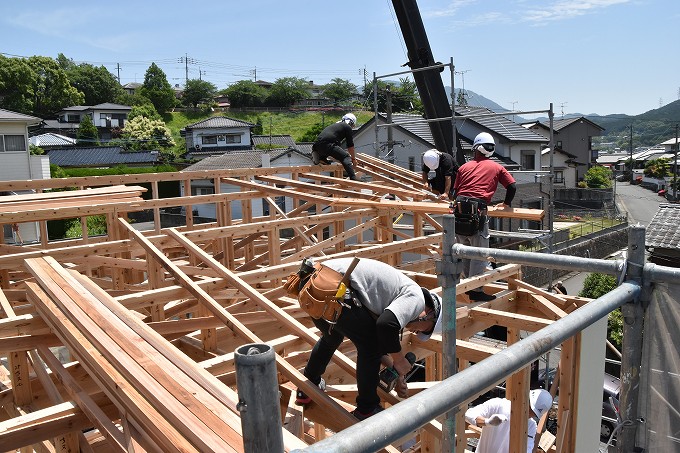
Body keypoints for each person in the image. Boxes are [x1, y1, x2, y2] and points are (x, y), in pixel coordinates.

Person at [284, 257, 442, 420]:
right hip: (333, 288)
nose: (415, 332)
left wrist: (397, 371)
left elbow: (379, 337)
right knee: (369, 346)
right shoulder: (417, 298)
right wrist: (400, 360)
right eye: (423, 331)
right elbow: (385, 326)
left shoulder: (393, 297)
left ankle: (308, 387)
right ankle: (367, 408)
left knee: (332, 337)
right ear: (430, 314)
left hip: (314, 286)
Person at [453, 132, 517, 302]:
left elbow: (455, 191)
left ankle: (469, 285)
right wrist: (506, 204)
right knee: (480, 252)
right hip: (477, 211)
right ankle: (476, 290)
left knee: (465, 249)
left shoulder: (464, 167)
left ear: (475, 148)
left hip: (459, 209)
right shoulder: (496, 167)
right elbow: (512, 186)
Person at [464, 388, 553, 453]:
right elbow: (469, 414)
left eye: (533, 413)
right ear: (526, 399)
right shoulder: (498, 405)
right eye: (529, 409)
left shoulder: (531, 426)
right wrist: (487, 422)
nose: (529, 414)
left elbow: (527, 450)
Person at [312, 113, 358, 180]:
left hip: (316, 146)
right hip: (327, 144)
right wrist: (353, 159)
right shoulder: (347, 127)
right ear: (351, 122)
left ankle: (321, 158)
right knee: (346, 157)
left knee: (334, 150)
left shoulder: (335, 127)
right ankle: (353, 178)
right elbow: (350, 146)